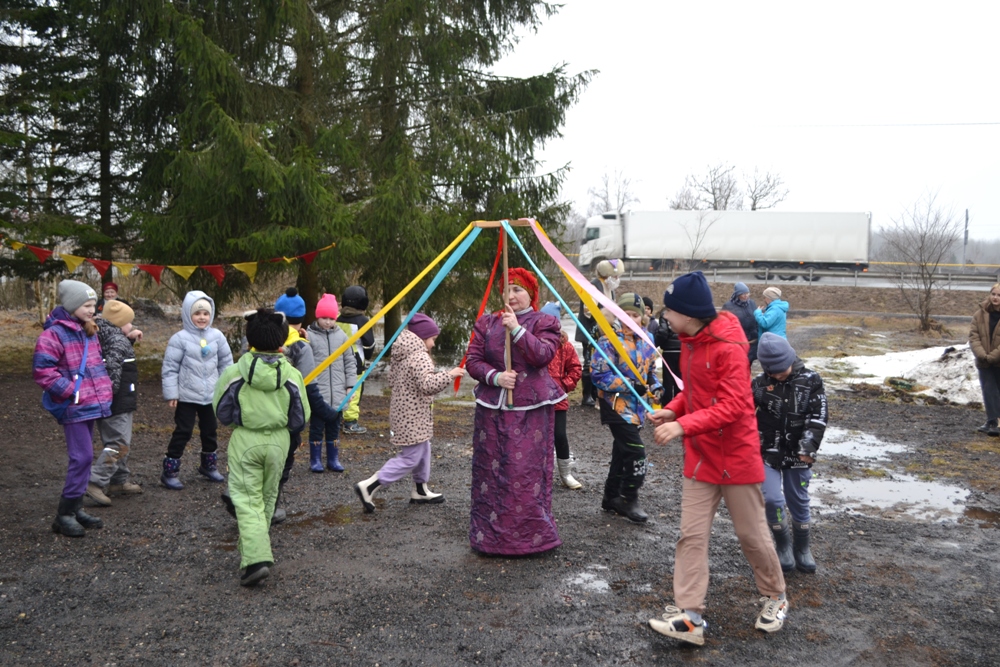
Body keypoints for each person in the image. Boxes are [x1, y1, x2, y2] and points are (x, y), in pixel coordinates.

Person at [646, 271, 787, 646]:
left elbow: (734, 405)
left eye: (669, 311)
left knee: (752, 535)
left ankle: (776, 596)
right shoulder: (689, 339)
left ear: (689, 314)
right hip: (701, 457)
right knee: (690, 536)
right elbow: (695, 392)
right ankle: (691, 618)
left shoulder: (726, 346)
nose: (665, 317)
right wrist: (674, 410)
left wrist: (683, 426)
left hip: (736, 457)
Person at [465, 268, 565, 555]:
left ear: (531, 294)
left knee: (524, 473)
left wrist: (517, 330)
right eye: (506, 290)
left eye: (518, 289)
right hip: (492, 411)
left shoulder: (545, 322)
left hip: (530, 411)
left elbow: (543, 355)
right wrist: (495, 377)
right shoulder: (486, 323)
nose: (511, 295)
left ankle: (530, 538)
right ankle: (489, 539)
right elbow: (473, 360)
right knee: (491, 472)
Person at [214, 309, 309, 586]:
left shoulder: (235, 373)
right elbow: (301, 415)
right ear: (281, 340)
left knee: (246, 500)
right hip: (279, 443)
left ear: (249, 339)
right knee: (267, 499)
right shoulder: (291, 375)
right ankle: (253, 553)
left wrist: (238, 423)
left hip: (246, 441)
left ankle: (255, 560)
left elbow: (221, 409)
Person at [354, 313, 465, 512]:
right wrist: (449, 374)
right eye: (432, 339)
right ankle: (369, 486)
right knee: (410, 457)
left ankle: (420, 489)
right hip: (412, 416)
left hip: (404, 414)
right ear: (422, 337)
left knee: (423, 449)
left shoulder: (401, 354)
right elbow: (428, 385)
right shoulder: (420, 356)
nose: (432, 344)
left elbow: (392, 381)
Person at [33, 280, 113, 537]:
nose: (92, 309)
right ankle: (63, 514)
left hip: (89, 403)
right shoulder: (53, 334)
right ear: (71, 305)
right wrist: (70, 391)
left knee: (85, 457)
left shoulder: (86, 329)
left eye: (93, 305)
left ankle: (76, 508)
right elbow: (43, 371)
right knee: (82, 457)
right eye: (86, 305)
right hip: (73, 405)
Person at [752, 333, 826, 574]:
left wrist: (807, 447)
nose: (776, 375)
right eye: (770, 371)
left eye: (780, 369)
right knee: (772, 498)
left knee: (798, 500)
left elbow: (818, 417)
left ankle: (802, 548)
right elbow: (743, 414)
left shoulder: (811, 380)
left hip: (798, 455)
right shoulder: (759, 385)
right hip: (767, 453)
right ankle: (783, 545)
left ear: (791, 358)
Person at [591, 293, 661, 522]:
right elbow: (599, 376)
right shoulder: (607, 341)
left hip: (638, 408)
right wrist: (630, 386)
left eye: (635, 315)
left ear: (643, 317)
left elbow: (649, 371)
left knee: (622, 452)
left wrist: (656, 386)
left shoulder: (647, 339)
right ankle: (629, 497)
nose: (630, 319)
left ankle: (610, 498)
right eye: (625, 314)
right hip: (615, 406)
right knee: (635, 452)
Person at [160, 290, 233, 489]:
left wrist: (226, 387)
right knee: (183, 431)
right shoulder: (179, 339)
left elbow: (226, 362)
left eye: (206, 314)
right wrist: (172, 393)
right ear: (187, 315)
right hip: (186, 395)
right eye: (197, 313)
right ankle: (170, 469)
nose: (202, 317)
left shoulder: (217, 336)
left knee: (210, 431)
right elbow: (170, 368)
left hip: (210, 395)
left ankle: (208, 465)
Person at [85, 300, 143, 506]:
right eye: (129, 323)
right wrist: (111, 394)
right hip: (116, 402)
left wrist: (129, 339)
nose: (132, 326)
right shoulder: (118, 340)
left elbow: (117, 356)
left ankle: (118, 480)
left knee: (121, 440)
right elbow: (113, 367)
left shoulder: (105, 334)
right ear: (119, 323)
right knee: (119, 444)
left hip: (114, 401)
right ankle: (95, 481)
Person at [307, 293, 357, 471]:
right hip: (319, 394)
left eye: (331, 318)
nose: (328, 322)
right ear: (317, 317)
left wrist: (350, 386)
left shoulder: (342, 337)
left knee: (334, 428)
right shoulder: (309, 336)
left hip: (338, 394)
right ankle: (315, 460)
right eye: (324, 318)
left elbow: (350, 362)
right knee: (316, 428)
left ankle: (333, 459)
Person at [540, 301, 583, 490]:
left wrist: (564, 386)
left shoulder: (565, 346)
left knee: (559, 435)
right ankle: (539, 474)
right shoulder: (533, 343)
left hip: (557, 399)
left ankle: (566, 473)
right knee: (538, 437)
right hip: (537, 400)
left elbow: (575, 368)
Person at [575, 258, 624, 406]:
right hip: (591, 331)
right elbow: (589, 310)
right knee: (589, 362)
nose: (617, 280)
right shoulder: (594, 286)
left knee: (601, 363)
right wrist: (603, 319)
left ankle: (597, 394)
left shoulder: (609, 288)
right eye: (615, 276)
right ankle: (587, 395)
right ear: (608, 275)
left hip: (604, 332)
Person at [338, 285, 375, 434]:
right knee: (354, 391)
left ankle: (339, 416)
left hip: (338, 362)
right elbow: (369, 344)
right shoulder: (363, 321)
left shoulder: (337, 319)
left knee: (339, 388)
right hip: (356, 362)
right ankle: (350, 422)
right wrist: (368, 356)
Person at [969, 284, 1000, 437]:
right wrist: (982, 355)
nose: (995, 297)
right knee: (988, 390)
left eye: (999, 295)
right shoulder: (979, 314)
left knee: (997, 391)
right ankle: (992, 420)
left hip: (998, 360)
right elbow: (973, 336)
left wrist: (993, 356)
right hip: (984, 361)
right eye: (993, 294)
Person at [722, 282, 759, 363]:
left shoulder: (751, 303)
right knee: (741, 362)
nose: (746, 295)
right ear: (737, 294)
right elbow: (725, 324)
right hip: (740, 340)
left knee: (749, 362)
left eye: (747, 293)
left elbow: (756, 318)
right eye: (743, 294)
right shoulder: (728, 306)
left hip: (753, 340)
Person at [654, 308, 681, 404]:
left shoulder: (665, 313)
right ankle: (680, 406)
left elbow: (663, 332)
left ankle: (667, 405)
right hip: (682, 350)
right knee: (680, 381)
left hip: (669, 351)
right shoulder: (683, 312)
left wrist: (656, 343)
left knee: (668, 382)